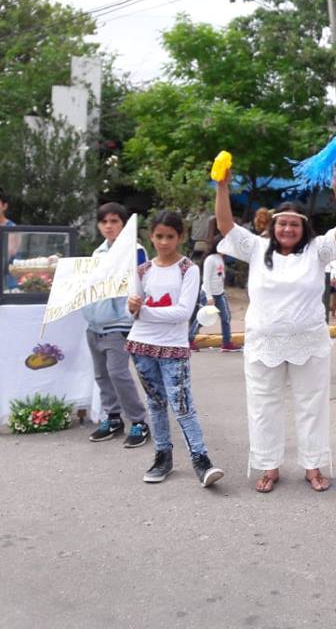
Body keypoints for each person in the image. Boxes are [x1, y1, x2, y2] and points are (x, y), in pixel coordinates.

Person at [215, 162, 336, 494]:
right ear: (273, 226)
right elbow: (225, 226)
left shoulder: (317, 250)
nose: (287, 229)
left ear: (303, 228)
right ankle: (269, 466)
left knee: (312, 405)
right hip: (264, 343)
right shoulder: (256, 248)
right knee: (263, 406)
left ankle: (313, 467)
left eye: (294, 224)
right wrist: (222, 186)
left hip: (309, 342)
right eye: (282, 223)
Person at [126, 211, 224, 487]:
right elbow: (130, 309)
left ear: (180, 237)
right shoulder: (142, 270)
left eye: (170, 236)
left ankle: (201, 459)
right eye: (159, 236)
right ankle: (162, 457)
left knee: (182, 405)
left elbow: (182, 312)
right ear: (151, 236)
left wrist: (143, 311)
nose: (164, 242)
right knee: (155, 403)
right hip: (141, 345)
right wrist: (134, 308)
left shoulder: (188, 269)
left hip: (173, 347)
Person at [84, 203, 151, 447]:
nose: (109, 226)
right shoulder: (98, 253)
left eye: (114, 221)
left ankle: (138, 421)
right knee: (101, 375)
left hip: (119, 324)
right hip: (95, 324)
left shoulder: (136, 251)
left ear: (124, 225)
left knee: (118, 373)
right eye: (104, 222)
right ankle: (113, 418)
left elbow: (145, 284)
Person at [191, 234, 240, 352]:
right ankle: (189, 340)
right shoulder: (210, 259)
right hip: (210, 295)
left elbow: (219, 277)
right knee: (202, 319)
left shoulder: (221, 258)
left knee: (226, 318)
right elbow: (206, 279)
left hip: (220, 294)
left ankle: (226, 343)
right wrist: (209, 297)